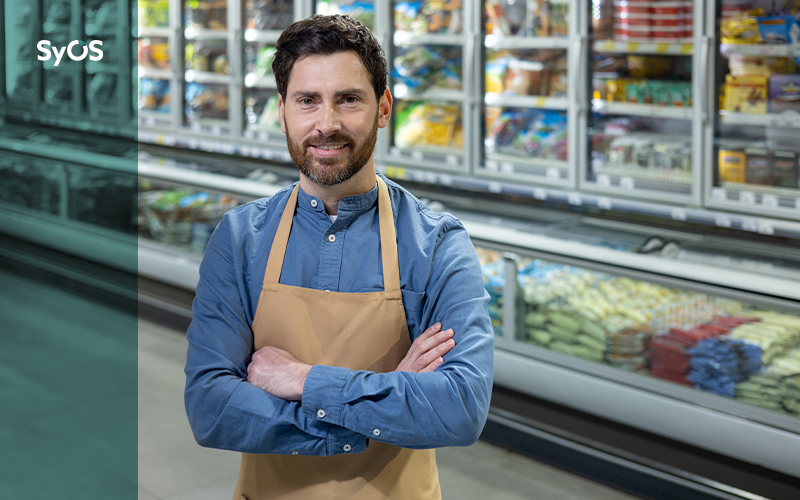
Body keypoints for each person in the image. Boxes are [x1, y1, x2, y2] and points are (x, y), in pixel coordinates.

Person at [184, 14, 494, 499]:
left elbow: (459, 407)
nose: (326, 124)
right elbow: (211, 408)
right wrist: (375, 412)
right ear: (282, 111)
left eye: (348, 99)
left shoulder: (437, 245)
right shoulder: (240, 238)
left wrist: (300, 379)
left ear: (384, 108)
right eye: (308, 101)